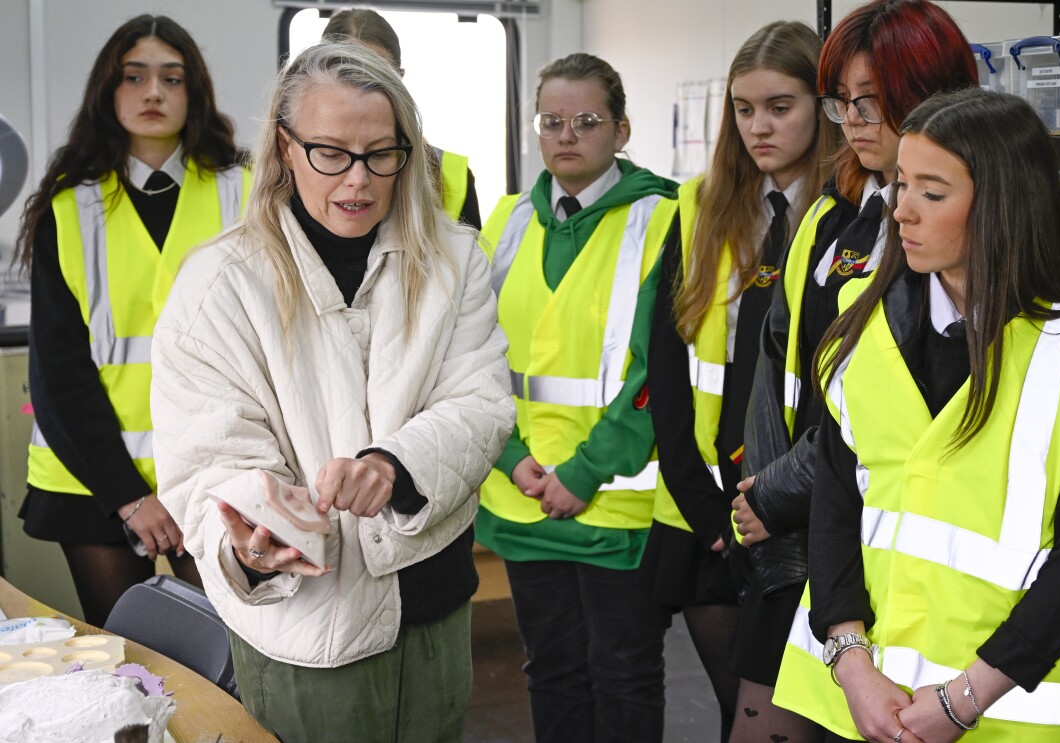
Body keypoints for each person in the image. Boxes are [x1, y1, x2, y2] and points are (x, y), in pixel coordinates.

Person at [148, 41, 513, 741]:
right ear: (285, 147)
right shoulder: (220, 286)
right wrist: (251, 542)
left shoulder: (454, 258)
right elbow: (210, 463)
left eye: (381, 154)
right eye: (331, 154)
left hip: (434, 606)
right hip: (308, 628)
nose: (359, 180)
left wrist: (394, 465)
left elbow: (480, 403)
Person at [773, 86, 1060, 743]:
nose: (901, 210)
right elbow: (835, 503)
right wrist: (850, 661)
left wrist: (966, 697)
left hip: (1006, 711)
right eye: (901, 184)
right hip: (862, 701)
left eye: (931, 194)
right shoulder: (862, 319)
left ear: (1002, 204)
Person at [730, 0, 976, 736]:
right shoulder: (831, 213)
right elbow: (776, 361)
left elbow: (891, 409)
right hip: (798, 530)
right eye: (842, 101)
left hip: (876, 536)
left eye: (872, 100)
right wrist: (761, 489)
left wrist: (779, 490)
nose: (854, 121)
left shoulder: (951, 232)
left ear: (931, 94)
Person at [15, 14, 250, 629]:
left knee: (240, 657)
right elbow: (58, 375)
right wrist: (129, 497)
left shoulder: (246, 192)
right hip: (94, 479)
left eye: (171, 78)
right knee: (128, 660)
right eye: (134, 76)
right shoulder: (68, 206)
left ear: (193, 93)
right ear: (108, 90)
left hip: (215, 474)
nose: (153, 92)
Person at [638, 21, 838, 743]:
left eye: (780, 107)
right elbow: (666, 361)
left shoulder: (846, 217)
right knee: (737, 711)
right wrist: (705, 510)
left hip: (798, 506)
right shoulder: (701, 205)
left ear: (821, 108)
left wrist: (779, 502)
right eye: (744, 109)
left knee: (791, 719)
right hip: (708, 509)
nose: (759, 126)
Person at [476, 53, 678, 743]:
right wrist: (510, 457)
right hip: (524, 497)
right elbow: (471, 357)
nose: (566, 135)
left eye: (587, 121)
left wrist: (585, 472)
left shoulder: (663, 218)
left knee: (625, 673)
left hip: (614, 504)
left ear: (621, 131)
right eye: (551, 121)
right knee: (551, 670)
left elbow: (658, 372)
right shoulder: (505, 221)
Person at [322, 7, 482, 229]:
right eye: (347, 74)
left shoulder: (453, 176)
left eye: (379, 77)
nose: (361, 92)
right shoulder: (293, 166)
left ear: (400, 80)